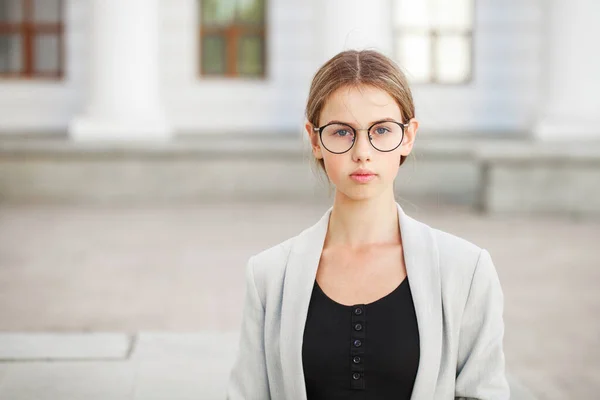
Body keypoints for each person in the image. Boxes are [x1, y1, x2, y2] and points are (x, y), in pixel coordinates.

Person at [226, 49, 509, 400]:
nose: (363, 151)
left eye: (382, 130)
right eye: (342, 132)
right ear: (315, 140)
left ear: (408, 136)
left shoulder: (466, 270)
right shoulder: (269, 275)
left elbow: (484, 392)